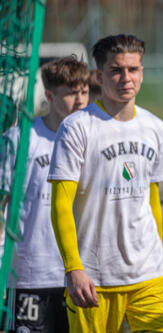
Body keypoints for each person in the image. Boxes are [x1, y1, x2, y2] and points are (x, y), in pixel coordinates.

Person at [47, 34, 163, 333]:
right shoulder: (77, 127)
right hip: (94, 278)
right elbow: (61, 203)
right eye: (117, 70)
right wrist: (73, 268)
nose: (126, 78)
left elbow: (153, 200)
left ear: (142, 72)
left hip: (149, 274)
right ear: (100, 75)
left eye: (134, 69)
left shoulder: (155, 127)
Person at [1, 56, 90, 332]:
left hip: (81, 275)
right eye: (71, 93)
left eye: (84, 92)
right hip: (30, 274)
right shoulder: (19, 139)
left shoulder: (94, 136)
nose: (80, 101)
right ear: (49, 95)